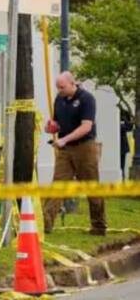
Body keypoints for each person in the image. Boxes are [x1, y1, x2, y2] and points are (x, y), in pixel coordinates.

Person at [43, 72, 106, 236]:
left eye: (62, 87)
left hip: (84, 147)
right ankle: (45, 224)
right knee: (57, 185)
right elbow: (56, 124)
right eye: (57, 87)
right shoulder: (59, 99)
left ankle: (99, 226)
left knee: (91, 186)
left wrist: (64, 140)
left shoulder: (87, 99)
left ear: (73, 84)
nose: (59, 90)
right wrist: (51, 127)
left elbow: (86, 126)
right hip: (65, 150)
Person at [120, 110, 133, 181]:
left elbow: (129, 127)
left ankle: (122, 180)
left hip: (122, 145)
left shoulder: (124, 112)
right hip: (111, 145)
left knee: (122, 167)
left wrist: (124, 120)